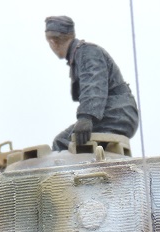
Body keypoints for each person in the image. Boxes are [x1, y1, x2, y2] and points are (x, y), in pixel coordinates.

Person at [44, 15, 139, 151]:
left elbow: (94, 84)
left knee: (62, 142)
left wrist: (86, 117)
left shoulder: (87, 52)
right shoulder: (80, 54)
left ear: (52, 42)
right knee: (75, 142)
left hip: (117, 113)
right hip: (116, 112)